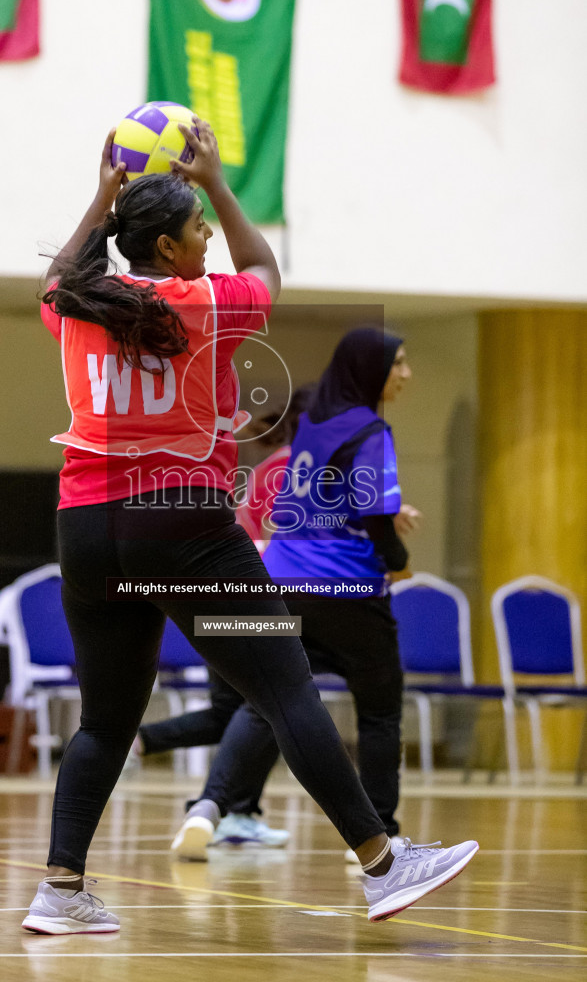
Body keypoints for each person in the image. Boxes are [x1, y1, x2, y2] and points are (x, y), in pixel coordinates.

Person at [22, 117, 478, 935]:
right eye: (197, 227)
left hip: (87, 528)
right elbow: (265, 267)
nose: (208, 238)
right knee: (283, 686)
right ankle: (382, 863)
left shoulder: (75, 305)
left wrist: (99, 198)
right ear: (168, 250)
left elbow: (61, 272)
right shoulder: (201, 303)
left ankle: (60, 890)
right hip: (184, 529)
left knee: (104, 719)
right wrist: (223, 184)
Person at [169, 327, 423, 865]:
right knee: (379, 714)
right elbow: (376, 513)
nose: (405, 373)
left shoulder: (312, 430)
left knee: (270, 702)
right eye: (398, 363)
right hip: (347, 589)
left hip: (284, 584)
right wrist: (399, 563)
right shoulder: (369, 429)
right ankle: (382, 835)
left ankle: (209, 808)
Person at [127, 387, 314, 850]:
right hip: (248, 598)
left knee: (239, 710)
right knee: (268, 705)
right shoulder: (292, 468)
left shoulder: (290, 466)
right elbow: (274, 543)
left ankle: (232, 808)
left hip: (234, 596)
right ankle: (218, 807)